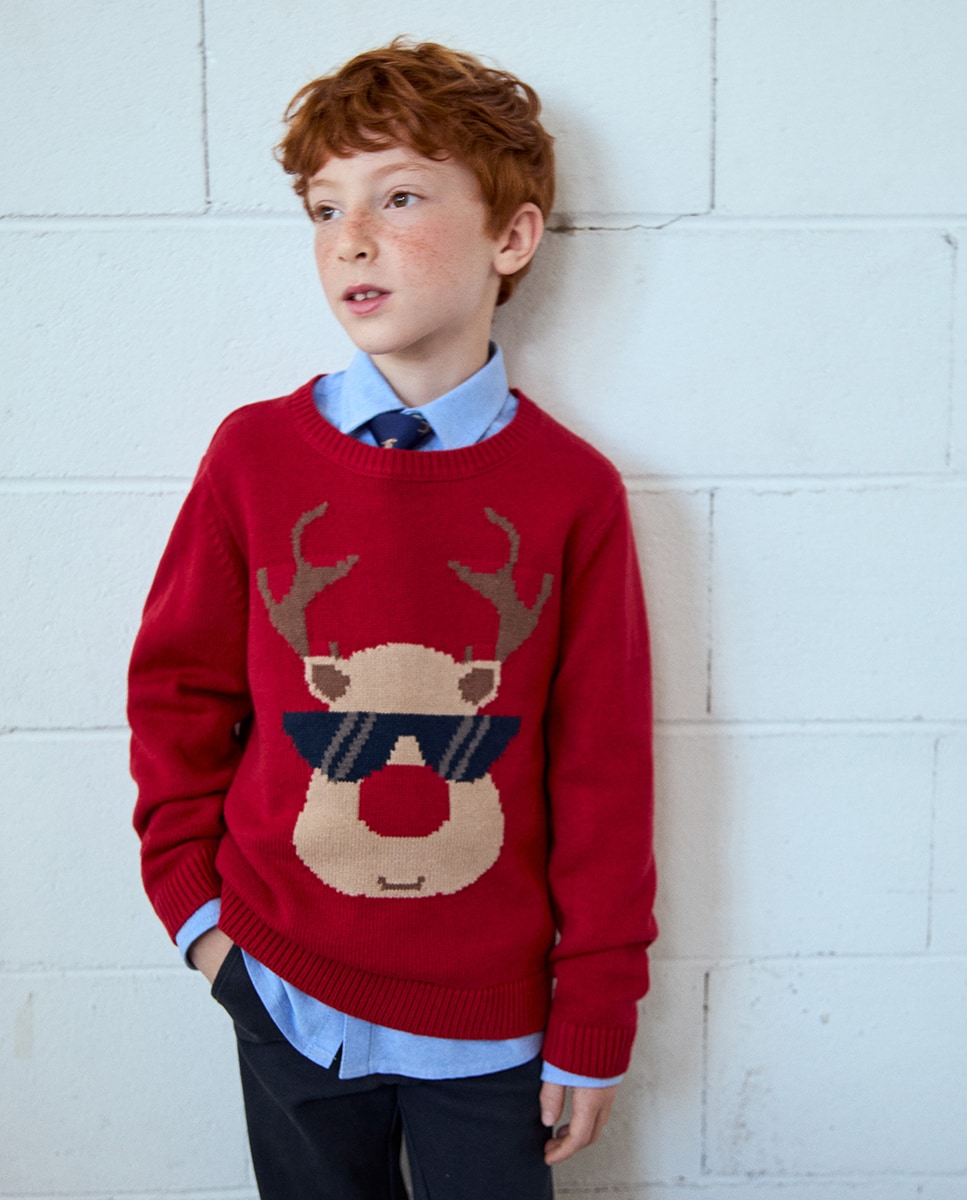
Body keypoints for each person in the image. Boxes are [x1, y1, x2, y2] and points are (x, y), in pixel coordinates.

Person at [129, 38, 656, 1200]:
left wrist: (596, 1009)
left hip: (492, 1020)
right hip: (281, 985)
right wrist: (201, 920)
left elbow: (604, 770)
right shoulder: (252, 459)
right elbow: (177, 693)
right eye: (326, 208)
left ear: (511, 237)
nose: (350, 239)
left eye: (400, 197)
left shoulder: (573, 494)